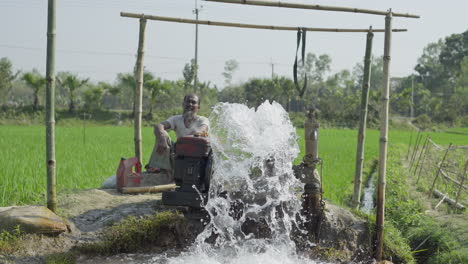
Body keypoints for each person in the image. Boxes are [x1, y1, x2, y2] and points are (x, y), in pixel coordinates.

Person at [146, 94, 209, 176]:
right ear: (183, 104)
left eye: (193, 102)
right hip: (178, 154)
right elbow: (159, 126)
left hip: (196, 157)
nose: (190, 104)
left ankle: (169, 171)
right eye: (188, 102)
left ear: (198, 107)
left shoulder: (203, 120)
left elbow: (200, 130)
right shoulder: (176, 119)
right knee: (162, 133)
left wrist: (181, 142)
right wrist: (162, 138)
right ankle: (158, 168)